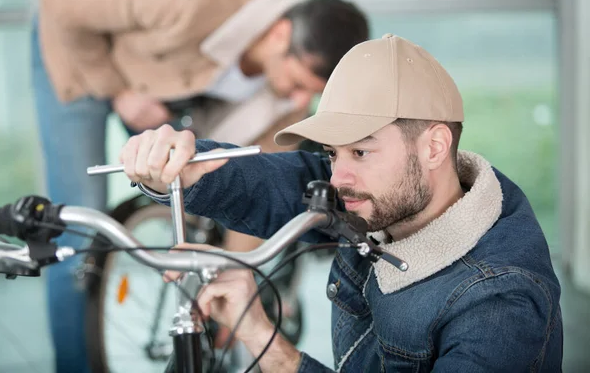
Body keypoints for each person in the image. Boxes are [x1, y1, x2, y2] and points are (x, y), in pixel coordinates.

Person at [119, 33, 564, 372]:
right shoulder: (391, 196)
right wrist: (183, 165)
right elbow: (282, 183)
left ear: (433, 148)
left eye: (361, 151)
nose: (338, 177)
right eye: (333, 153)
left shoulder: (500, 304)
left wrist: (272, 349)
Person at [31, 0, 369, 371]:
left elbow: (254, 191)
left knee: (198, 192)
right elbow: (56, 4)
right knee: (82, 227)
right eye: (298, 83)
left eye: (311, 93)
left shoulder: (288, 93)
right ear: (280, 35)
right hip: (81, 47)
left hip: (168, 95)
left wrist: (236, 280)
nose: (300, 101)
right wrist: (117, 90)